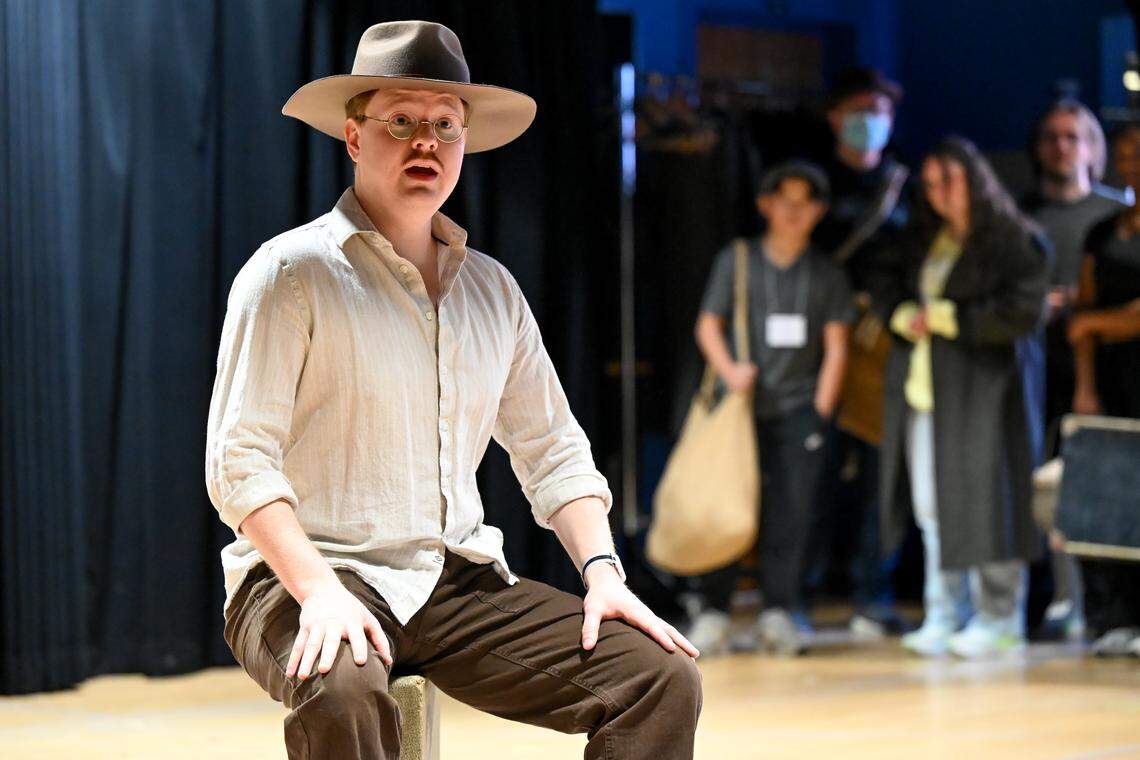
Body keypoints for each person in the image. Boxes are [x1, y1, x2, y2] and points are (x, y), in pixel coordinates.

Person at [206, 21, 701, 760]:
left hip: (447, 583)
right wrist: (319, 589)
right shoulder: (291, 274)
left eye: (444, 125)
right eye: (400, 122)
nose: (425, 143)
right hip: (303, 576)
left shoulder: (492, 291)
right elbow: (239, 463)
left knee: (658, 676)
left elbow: (554, 451)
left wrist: (603, 574)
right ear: (353, 137)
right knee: (342, 686)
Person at [878, 137, 1047, 658]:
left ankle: (1000, 616)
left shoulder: (1015, 239)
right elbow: (888, 286)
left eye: (948, 181)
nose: (938, 195)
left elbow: (1023, 312)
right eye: (929, 185)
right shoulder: (927, 239)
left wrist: (948, 318)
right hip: (928, 389)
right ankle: (945, 611)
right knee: (933, 507)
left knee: (989, 498)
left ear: (974, 179)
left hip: (986, 389)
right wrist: (905, 316)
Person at [687, 161, 854, 655]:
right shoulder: (738, 259)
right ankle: (714, 611)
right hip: (739, 407)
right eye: (785, 201)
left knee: (791, 512)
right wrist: (730, 371)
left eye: (806, 203)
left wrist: (820, 411)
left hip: (798, 410)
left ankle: (779, 610)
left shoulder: (827, 274)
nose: (794, 212)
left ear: (819, 211)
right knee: (726, 508)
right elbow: (707, 324)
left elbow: (837, 345)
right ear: (765, 205)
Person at [808, 68, 911, 639]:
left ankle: (875, 593)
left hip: (878, 345)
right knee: (814, 469)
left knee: (879, 475)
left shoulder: (903, 183)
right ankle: (803, 590)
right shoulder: (813, 181)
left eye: (880, 110)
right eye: (858, 108)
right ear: (834, 115)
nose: (869, 120)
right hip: (818, 342)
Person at [1021, 100, 1126, 640]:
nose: (1062, 146)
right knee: (1049, 492)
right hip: (1038, 372)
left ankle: (1106, 605)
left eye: (1073, 136)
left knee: (1107, 485)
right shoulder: (1023, 215)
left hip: (1106, 371)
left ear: (1092, 147)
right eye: (1052, 136)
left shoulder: (1112, 215)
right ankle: (1065, 598)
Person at [1067, 124, 1140, 657]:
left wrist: (1098, 323)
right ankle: (1111, 619)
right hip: (1111, 385)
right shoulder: (1101, 232)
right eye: (1124, 153)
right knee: (1108, 496)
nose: (1131, 161)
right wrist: (1085, 386)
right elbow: (1079, 319)